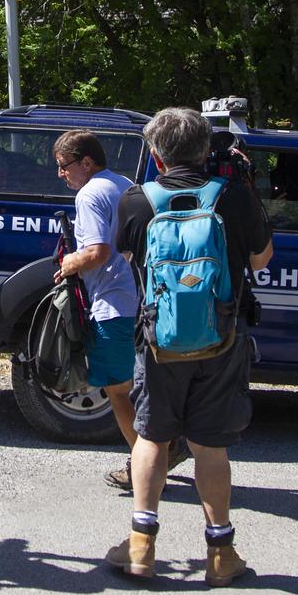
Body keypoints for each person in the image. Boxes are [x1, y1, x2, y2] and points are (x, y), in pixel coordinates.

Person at [107, 107, 273, 586]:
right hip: (222, 338)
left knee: (152, 438)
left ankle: (141, 547)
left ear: (156, 155)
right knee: (210, 448)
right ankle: (221, 554)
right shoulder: (234, 195)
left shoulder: (137, 200)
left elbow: (128, 256)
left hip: (159, 340)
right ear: (205, 150)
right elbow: (261, 260)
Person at [51, 129, 189, 490]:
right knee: (140, 387)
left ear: (86, 162)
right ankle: (164, 449)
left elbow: (97, 252)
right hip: (142, 301)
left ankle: (146, 468)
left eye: (64, 166)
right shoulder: (125, 185)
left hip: (112, 305)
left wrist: (69, 262)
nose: (61, 173)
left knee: (118, 391)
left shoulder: (89, 193)